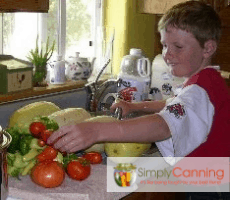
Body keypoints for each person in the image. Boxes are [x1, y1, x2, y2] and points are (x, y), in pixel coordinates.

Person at [47, 1, 230, 197]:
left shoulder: (200, 89)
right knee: (127, 177)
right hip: (213, 176)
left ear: (208, 48)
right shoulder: (207, 81)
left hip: (211, 184)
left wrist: (96, 130)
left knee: (122, 179)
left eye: (177, 46)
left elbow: (164, 125)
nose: (168, 55)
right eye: (165, 45)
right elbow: (173, 104)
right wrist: (134, 106)